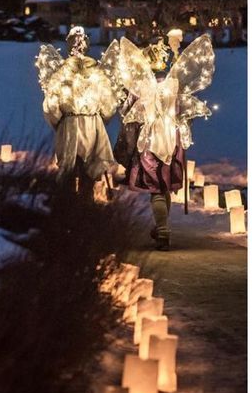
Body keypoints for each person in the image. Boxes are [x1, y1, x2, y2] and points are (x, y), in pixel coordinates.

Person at [108, 34, 215, 250]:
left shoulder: (140, 87)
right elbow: (186, 113)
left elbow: (128, 113)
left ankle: (163, 231)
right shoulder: (174, 84)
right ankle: (161, 229)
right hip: (170, 139)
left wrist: (127, 144)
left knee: (156, 188)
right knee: (163, 186)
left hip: (149, 140)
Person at [34, 26, 119, 193]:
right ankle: (87, 205)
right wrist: (101, 117)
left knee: (69, 171)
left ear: (68, 46)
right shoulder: (98, 73)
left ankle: (69, 207)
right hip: (93, 125)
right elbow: (109, 105)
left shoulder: (60, 74)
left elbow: (51, 106)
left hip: (70, 125)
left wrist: (59, 121)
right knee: (91, 169)